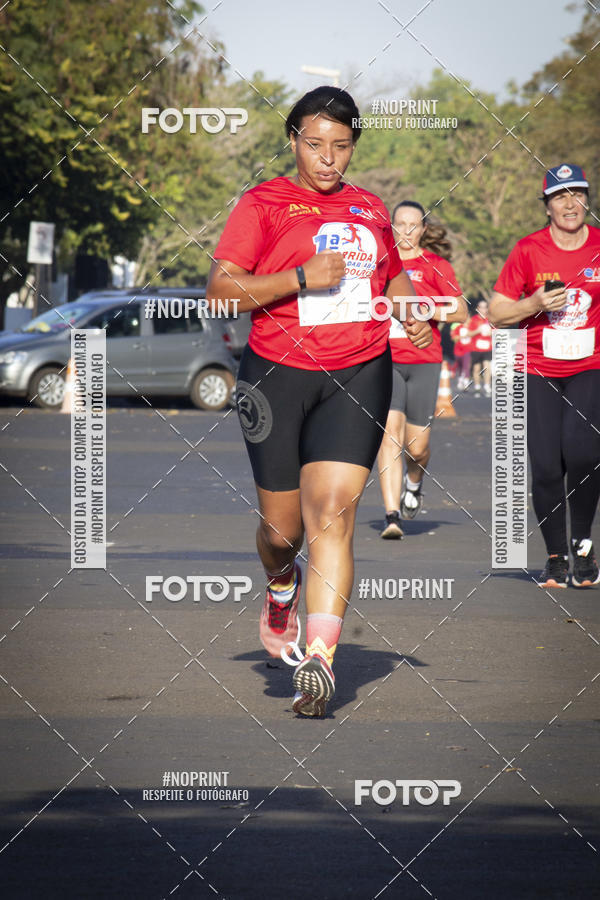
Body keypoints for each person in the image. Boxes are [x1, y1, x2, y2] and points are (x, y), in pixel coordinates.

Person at [206, 86, 432, 716]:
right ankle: (281, 586)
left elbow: (392, 275)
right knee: (282, 533)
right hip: (275, 374)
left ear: (354, 144)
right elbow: (221, 293)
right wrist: (302, 277)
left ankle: (320, 659)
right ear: (294, 141)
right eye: (315, 145)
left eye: (341, 146)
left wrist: (412, 311)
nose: (328, 159)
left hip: (360, 369)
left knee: (330, 514)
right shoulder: (263, 204)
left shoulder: (371, 207)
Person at [489, 163, 600, 589]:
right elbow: (498, 313)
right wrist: (532, 302)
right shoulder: (528, 250)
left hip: (590, 364)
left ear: (587, 201)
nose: (570, 203)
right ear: (547, 206)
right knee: (546, 465)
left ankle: (584, 545)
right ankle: (556, 557)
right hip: (536, 366)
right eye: (560, 196)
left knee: (585, 453)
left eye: (577, 194)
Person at [377, 201, 468, 539]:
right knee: (390, 435)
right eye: (400, 224)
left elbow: (460, 312)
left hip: (425, 361)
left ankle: (414, 482)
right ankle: (391, 515)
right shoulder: (380, 265)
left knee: (416, 447)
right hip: (386, 360)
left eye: (413, 225)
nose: (406, 231)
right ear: (391, 226)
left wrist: (428, 310)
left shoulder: (436, 265)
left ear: (424, 229)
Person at [468, 299, 493, 396]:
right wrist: (477, 331)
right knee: (476, 368)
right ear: (478, 309)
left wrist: (491, 333)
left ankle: (487, 386)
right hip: (476, 348)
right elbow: (469, 333)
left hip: (487, 347)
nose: (483, 309)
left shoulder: (490, 320)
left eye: (485, 307)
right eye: (481, 307)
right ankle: (477, 387)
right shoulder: (473, 320)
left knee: (487, 367)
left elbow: (496, 332)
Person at [450, 317, 473, 390]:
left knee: (466, 365)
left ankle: (466, 382)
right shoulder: (458, 327)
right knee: (460, 366)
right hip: (458, 350)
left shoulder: (472, 327)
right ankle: (460, 380)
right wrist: (463, 336)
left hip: (468, 350)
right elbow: (454, 338)